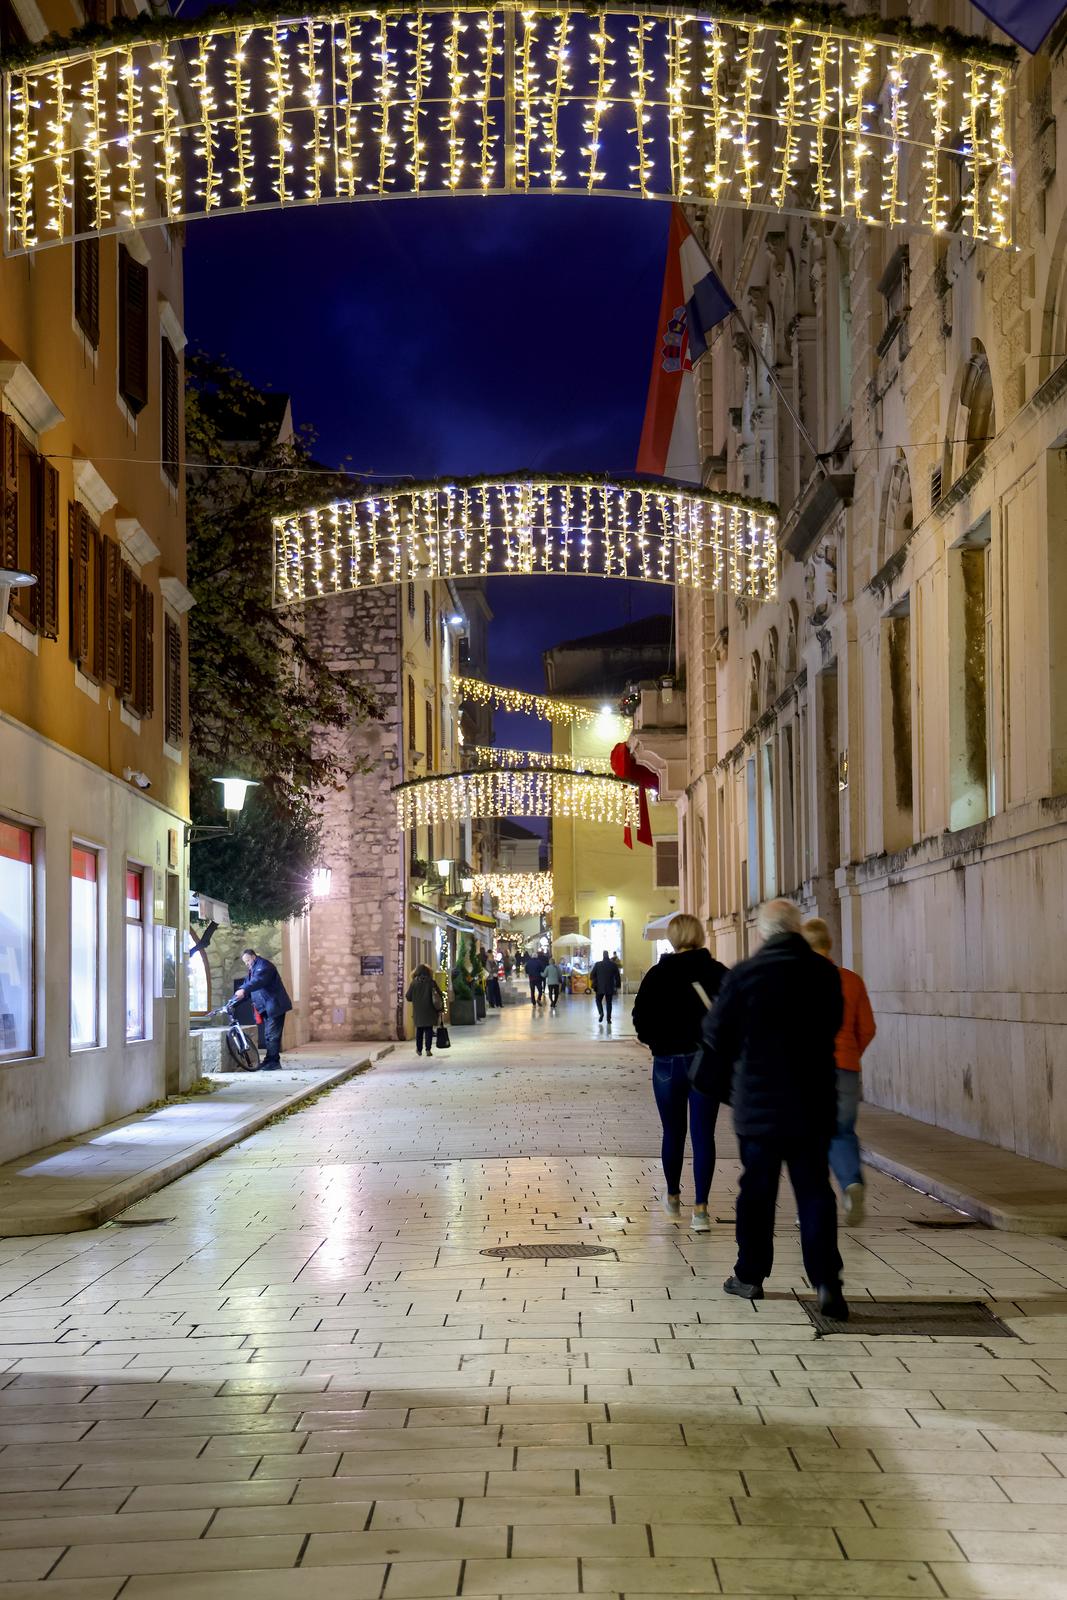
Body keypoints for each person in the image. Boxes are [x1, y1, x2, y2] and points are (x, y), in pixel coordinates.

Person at [694, 898, 848, 1320]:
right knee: (815, 1190)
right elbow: (833, 1024)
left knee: (757, 1193)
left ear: (763, 932)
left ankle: (750, 1275)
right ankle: (826, 1282)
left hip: (758, 1105)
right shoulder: (823, 973)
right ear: (797, 929)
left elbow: (716, 1033)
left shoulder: (745, 974)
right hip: (811, 1101)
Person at [632, 913, 727, 1233]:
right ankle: (701, 1210)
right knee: (703, 1136)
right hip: (706, 1064)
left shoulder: (657, 975)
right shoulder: (717, 973)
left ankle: (673, 1197)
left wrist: (656, 1043)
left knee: (673, 1133)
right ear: (700, 935)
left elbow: (640, 1017)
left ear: (672, 938)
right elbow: (733, 1014)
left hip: (668, 1063)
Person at [802, 917, 876, 1225]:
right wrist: (850, 1055)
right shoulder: (851, 980)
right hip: (845, 1066)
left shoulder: (796, 980)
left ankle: (811, 1204)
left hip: (808, 1069)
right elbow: (867, 1028)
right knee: (841, 1131)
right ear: (828, 945)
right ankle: (851, 1183)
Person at [234, 947, 292, 1071]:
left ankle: (273, 1062)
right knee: (268, 1035)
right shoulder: (253, 970)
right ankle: (270, 1060)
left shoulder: (264, 966)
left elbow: (257, 981)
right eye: (245, 962)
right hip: (266, 1007)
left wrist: (244, 990)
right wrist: (234, 1000)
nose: (247, 964)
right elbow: (247, 984)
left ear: (253, 957)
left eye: (248, 960)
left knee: (272, 1035)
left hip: (275, 1006)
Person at [406, 963, 445, 1057]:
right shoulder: (431, 982)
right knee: (428, 1030)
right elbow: (440, 994)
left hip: (418, 1011)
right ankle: (428, 1049)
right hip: (430, 1010)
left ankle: (419, 1050)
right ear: (428, 972)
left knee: (419, 1030)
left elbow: (408, 997)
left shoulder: (414, 983)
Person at [591, 949, 621, 1025]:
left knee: (598, 1000)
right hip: (610, 987)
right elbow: (617, 976)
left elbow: (591, 975)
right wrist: (618, 985)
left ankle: (601, 1013)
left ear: (603, 956)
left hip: (599, 987)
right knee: (609, 1003)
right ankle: (608, 1019)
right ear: (608, 955)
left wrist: (596, 979)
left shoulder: (598, 964)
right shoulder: (613, 965)